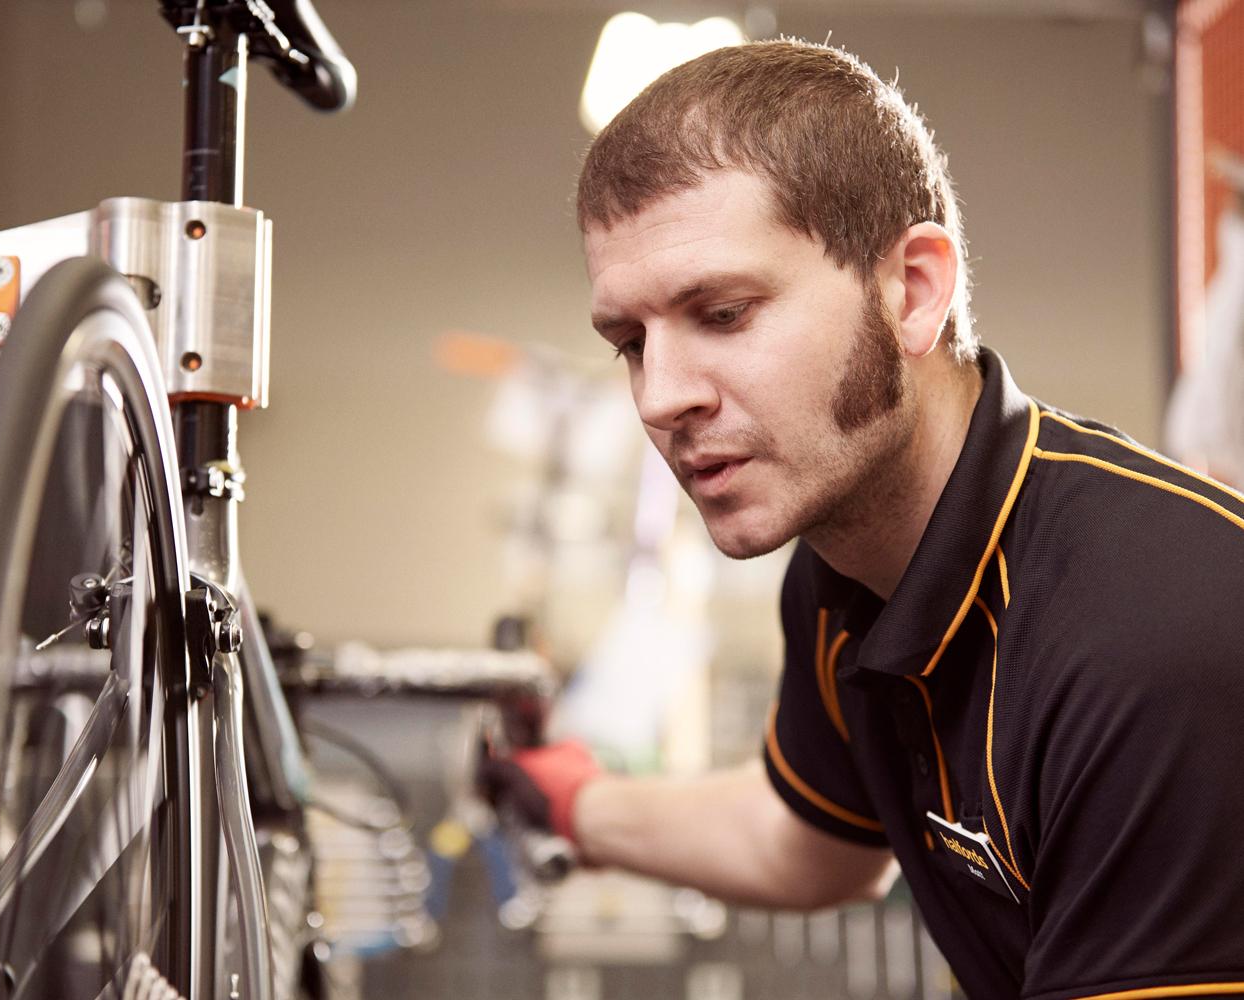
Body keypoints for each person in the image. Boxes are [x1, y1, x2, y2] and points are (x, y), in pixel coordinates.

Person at [482, 39, 1244, 1000]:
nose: (660, 396)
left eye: (721, 312)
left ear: (913, 292)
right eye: (631, 342)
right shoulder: (848, 570)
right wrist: (575, 804)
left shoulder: (1151, 642)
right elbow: (814, 842)